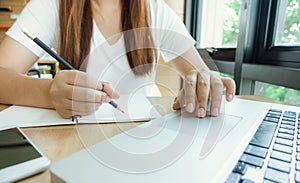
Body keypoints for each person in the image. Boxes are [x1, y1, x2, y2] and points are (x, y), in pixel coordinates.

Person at [0, 0, 235, 119]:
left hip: (146, 133)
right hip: (76, 138)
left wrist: (201, 85)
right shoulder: (51, 5)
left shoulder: (154, 8)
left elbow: (200, 75)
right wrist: (48, 92)